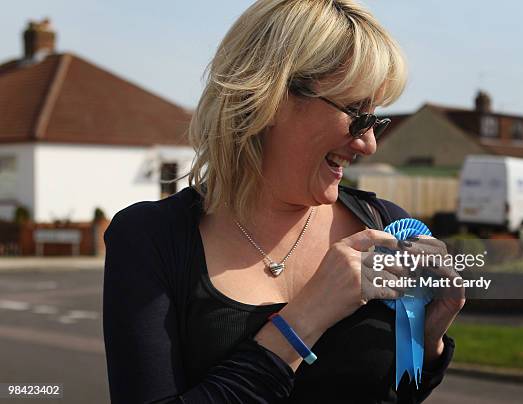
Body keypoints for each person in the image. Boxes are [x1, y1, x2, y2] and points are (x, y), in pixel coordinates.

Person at [102, 0, 465, 402]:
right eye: (358, 114)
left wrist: (427, 340)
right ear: (273, 95)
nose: (370, 143)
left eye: (377, 120)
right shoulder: (151, 238)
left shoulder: (383, 225)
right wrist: (304, 318)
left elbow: (395, 393)